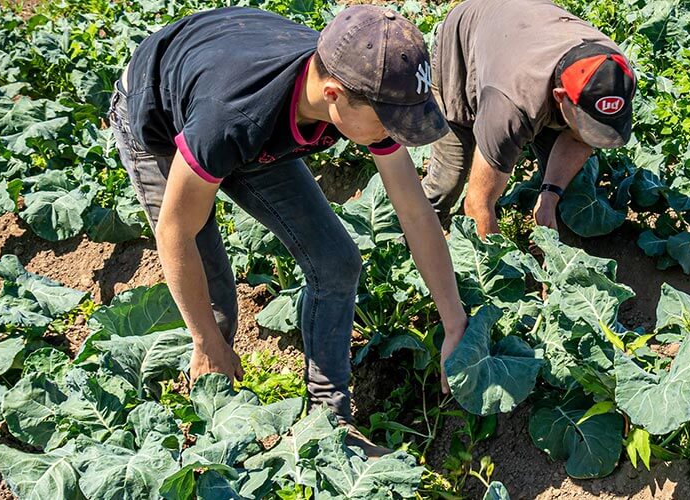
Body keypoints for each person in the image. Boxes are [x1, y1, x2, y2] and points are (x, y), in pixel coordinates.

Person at [110, 5, 467, 457]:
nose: (395, 133)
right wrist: (205, 342)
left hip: (234, 100)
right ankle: (204, 452)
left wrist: (454, 322)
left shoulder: (354, 90)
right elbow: (174, 231)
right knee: (213, 314)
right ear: (333, 95)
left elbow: (416, 212)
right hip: (160, 117)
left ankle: (330, 423)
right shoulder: (235, 116)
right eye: (390, 122)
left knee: (336, 262)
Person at [421, 0, 637, 236]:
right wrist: (498, 267)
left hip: (524, 31)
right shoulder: (510, 105)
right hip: (464, 41)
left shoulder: (613, 71)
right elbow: (477, 205)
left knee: (571, 183)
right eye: (587, 122)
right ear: (560, 97)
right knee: (449, 179)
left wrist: (550, 194)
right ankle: (406, 236)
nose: (592, 131)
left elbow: (581, 138)